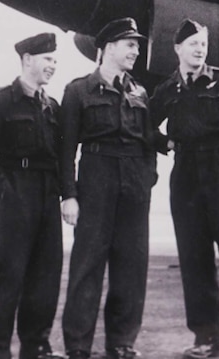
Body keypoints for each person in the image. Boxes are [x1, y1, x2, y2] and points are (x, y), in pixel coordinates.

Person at [150, 19, 219, 359]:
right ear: (178, 49)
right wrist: (163, 142)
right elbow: (141, 123)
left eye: (203, 44)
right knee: (194, 262)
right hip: (185, 178)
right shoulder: (168, 88)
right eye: (193, 44)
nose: (199, 49)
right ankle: (207, 339)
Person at [59, 18, 158, 359]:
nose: (136, 50)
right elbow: (66, 149)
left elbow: (148, 143)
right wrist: (69, 194)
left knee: (131, 264)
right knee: (88, 263)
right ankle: (78, 345)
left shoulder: (139, 92)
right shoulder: (77, 90)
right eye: (130, 44)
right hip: (96, 178)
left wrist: (147, 179)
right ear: (109, 48)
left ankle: (121, 342)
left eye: (137, 45)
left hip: (134, 183)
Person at [0, 33, 64, 359]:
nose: (53, 66)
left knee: (46, 274)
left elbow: (60, 155)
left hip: (47, 192)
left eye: (55, 60)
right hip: (17, 190)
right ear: (27, 59)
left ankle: (36, 345)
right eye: (47, 59)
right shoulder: (0, 101)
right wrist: (5, 191)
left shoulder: (53, 106)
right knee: (9, 274)